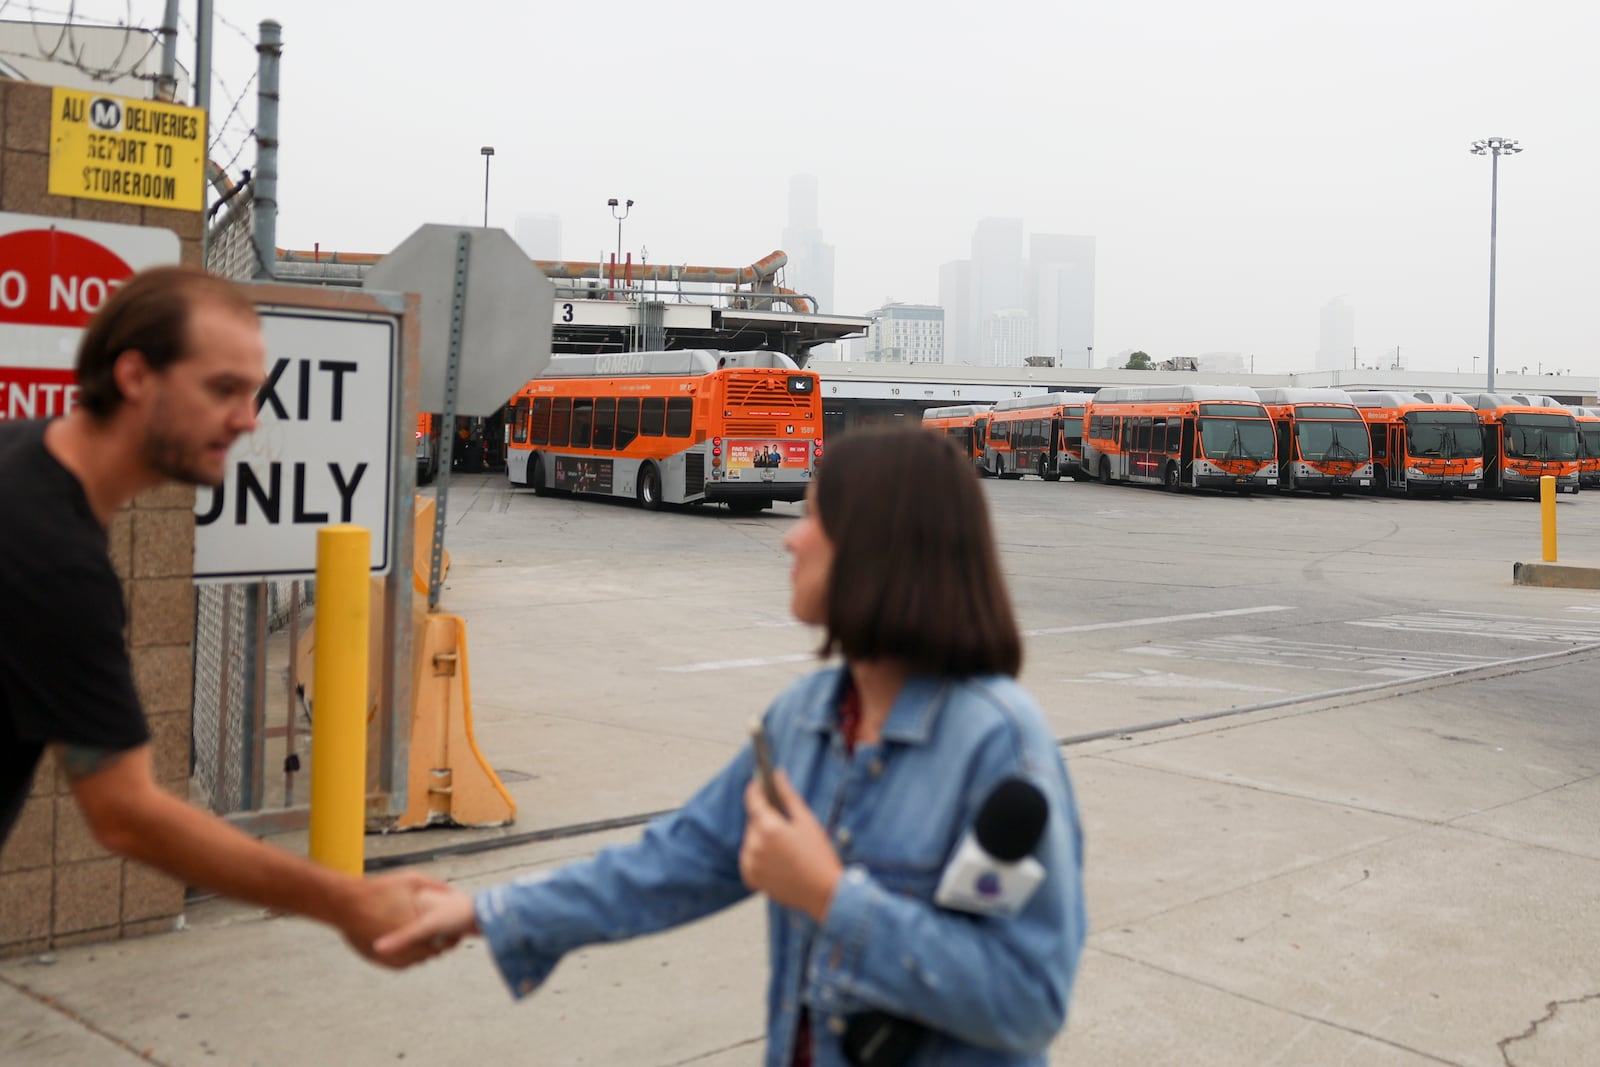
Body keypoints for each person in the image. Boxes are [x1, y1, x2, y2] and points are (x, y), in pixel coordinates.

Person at [377, 427, 1087, 1064]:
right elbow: (677, 860)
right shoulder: (808, 717)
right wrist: (485, 912)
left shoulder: (1000, 747)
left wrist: (832, 896)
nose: (789, 537)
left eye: (813, 518)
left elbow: (1028, 998)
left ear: (876, 547)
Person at [0, 265, 445, 967]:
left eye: (254, 392)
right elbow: (127, 813)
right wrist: (346, 899)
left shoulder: (21, 453)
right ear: (136, 376)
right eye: (222, 389)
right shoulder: (52, 559)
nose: (247, 419)